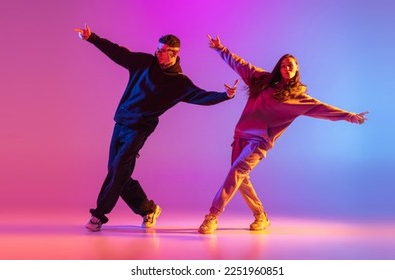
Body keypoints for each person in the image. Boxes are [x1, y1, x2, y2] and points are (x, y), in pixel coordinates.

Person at [73, 24, 238, 232]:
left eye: (162, 51)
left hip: (139, 130)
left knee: (118, 169)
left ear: (175, 53)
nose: (157, 53)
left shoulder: (179, 83)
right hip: (121, 122)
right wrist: (92, 38)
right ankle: (149, 209)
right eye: (157, 49)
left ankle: (98, 215)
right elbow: (118, 52)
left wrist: (225, 96)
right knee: (117, 172)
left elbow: (201, 96)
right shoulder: (143, 62)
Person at [198, 35, 369, 234]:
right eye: (284, 65)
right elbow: (240, 64)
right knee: (240, 177)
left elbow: (323, 109)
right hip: (241, 134)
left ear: (297, 70)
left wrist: (349, 116)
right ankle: (261, 216)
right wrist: (221, 49)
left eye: (291, 66)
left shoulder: (299, 98)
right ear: (279, 68)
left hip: (260, 141)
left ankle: (212, 216)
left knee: (236, 172)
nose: (287, 68)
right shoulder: (262, 80)